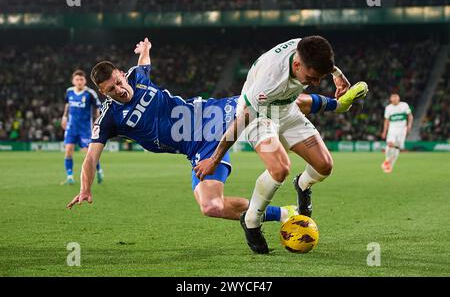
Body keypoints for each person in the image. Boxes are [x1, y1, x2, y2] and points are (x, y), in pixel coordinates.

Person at [66, 37, 366, 229]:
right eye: (110, 91)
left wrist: (145, 51)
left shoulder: (136, 76)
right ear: (102, 94)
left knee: (277, 102)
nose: (119, 91)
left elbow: (143, 64)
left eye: (118, 82)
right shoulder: (108, 118)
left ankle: (335, 105)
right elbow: (91, 158)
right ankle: (284, 214)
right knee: (211, 206)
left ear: (121, 73)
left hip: (213, 112)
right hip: (199, 149)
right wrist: (85, 188)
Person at [194, 36, 368, 254]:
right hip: (257, 117)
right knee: (279, 168)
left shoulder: (307, 48)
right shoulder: (270, 81)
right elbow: (240, 122)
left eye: (320, 78)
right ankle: (252, 221)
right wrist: (214, 159)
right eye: (312, 77)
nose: (315, 83)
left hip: (287, 110)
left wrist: (337, 76)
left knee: (324, 166)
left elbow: (324, 62)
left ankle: (302, 185)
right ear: (297, 65)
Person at [61, 70, 104, 185]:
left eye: (81, 79)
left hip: (85, 129)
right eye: (77, 79)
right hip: (71, 127)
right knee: (68, 150)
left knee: (88, 154)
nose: (79, 81)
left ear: (85, 81)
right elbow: (67, 105)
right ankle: (69, 176)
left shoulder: (90, 93)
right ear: (73, 81)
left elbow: (97, 108)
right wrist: (64, 117)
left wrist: (97, 120)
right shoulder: (69, 92)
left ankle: (99, 170)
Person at [381, 93, 413, 173]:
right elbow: (386, 120)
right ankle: (387, 160)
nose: (394, 99)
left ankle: (390, 166)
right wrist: (384, 131)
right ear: (390, 99)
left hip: (402, 130)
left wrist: (409, 126)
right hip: (392, 129)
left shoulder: (404, 105)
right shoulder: (388, 108)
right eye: (393, 97)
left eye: (396, 97)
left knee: (397, 148)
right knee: (390, 144)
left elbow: (410, 116)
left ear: (398, 98)